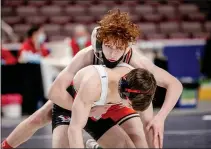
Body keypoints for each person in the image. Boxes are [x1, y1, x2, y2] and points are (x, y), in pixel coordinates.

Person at [2, 9, 183, 149]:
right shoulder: (87, 54)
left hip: (115, 101)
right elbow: (54, 91)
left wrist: (160, 117)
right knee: (38, 118)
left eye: (119, 48)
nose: (113, 54)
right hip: (81, 98)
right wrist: (89, 109)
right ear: (100, 41)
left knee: (139, 134)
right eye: (108, 46)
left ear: (128, 47)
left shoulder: (137, 60)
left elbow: (174, 84)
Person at [51, 64, 157, 148]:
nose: (130, 108)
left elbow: (148, 125)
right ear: (126, 95)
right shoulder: (94, 85)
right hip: (70, 107)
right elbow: (75, 129)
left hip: (97, 111)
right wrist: (90, 112)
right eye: (130, 105)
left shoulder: (137, 84)